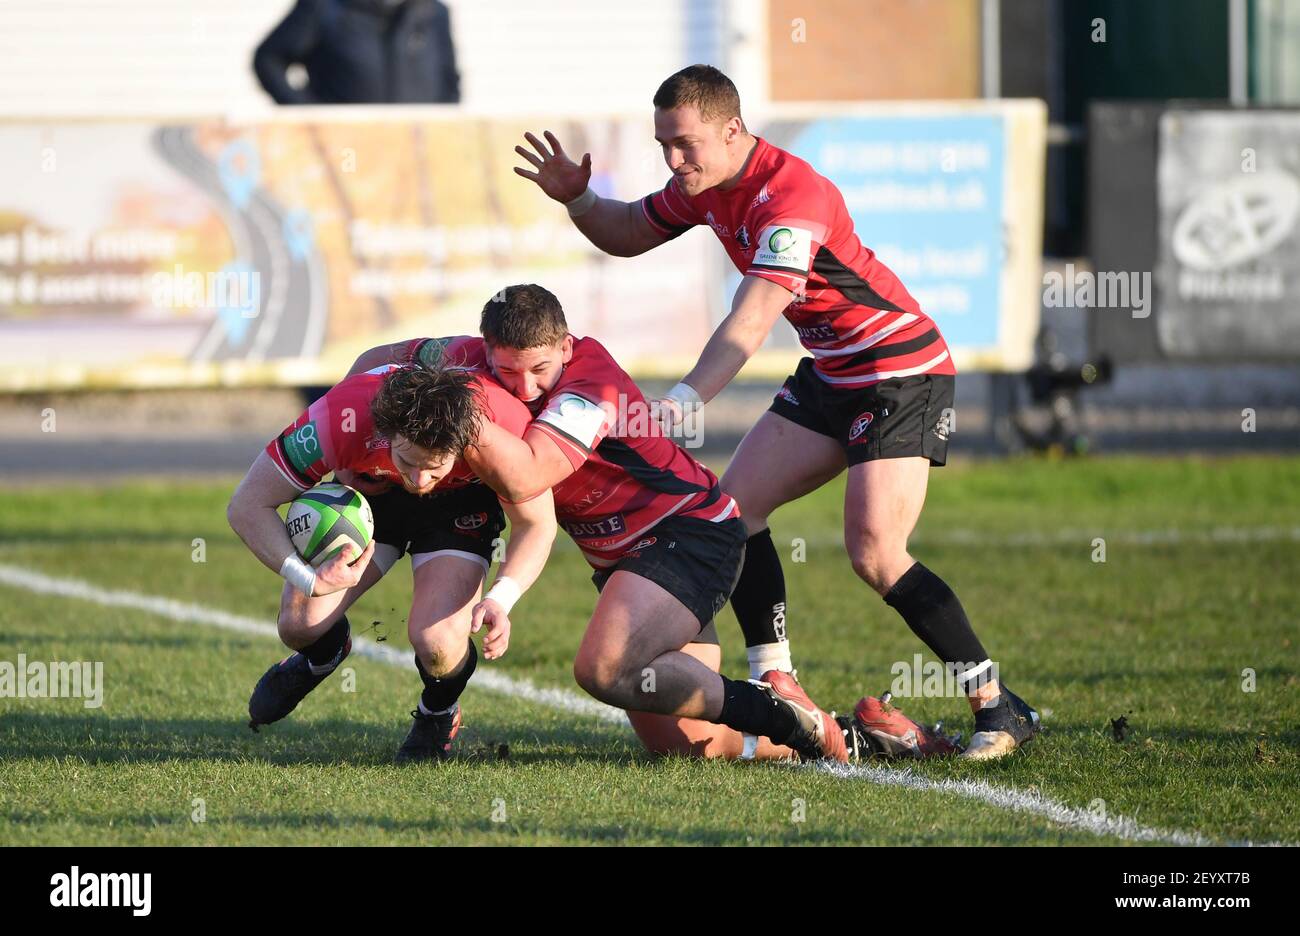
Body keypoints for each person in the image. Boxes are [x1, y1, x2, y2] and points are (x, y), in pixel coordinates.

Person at [511, 65, 1039, 759]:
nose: (673, 161)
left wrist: (684, 400)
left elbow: (752, 319)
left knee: (875, 553)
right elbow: (629, 232)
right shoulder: (703, 186)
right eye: (663, 145)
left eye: (685, 144)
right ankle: (776, 677)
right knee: (735, 510)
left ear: (733, 130)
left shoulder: (792, 197)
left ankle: (997, 705)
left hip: (898, 371)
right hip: (834, 372)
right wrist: (580, 199)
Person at [352, 286, 960, 763]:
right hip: (624, 560)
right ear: (485, 350)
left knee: (604, 668)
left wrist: (470, 423)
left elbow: (531, 474)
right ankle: (859, 737)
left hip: (689, 532)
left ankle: (783, 713)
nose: (524, 386)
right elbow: (377, 363)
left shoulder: (587, 391)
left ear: (565, 345)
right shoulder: (464, 357)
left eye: (538, 369)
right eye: (506, 372)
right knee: (695, 744)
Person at [226, 357, 556, 762]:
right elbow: (246, 505)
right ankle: (321, 655)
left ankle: (438, 712)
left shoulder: (501, 428)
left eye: (434, 466)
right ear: (385, 431)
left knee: (437, 644)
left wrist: (502, 599)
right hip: (373, 497)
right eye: (407, 461)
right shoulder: (342, 418)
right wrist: (307, 578)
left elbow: (538, 524)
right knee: (298, 624)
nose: (418, 480)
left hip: (459, 506)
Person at [253, 0, 460, 105]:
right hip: (345, 153)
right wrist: (308, 114)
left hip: (416, 153)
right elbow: (268, 59)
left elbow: (449, 82)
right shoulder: (325, 7)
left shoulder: (434, 13)